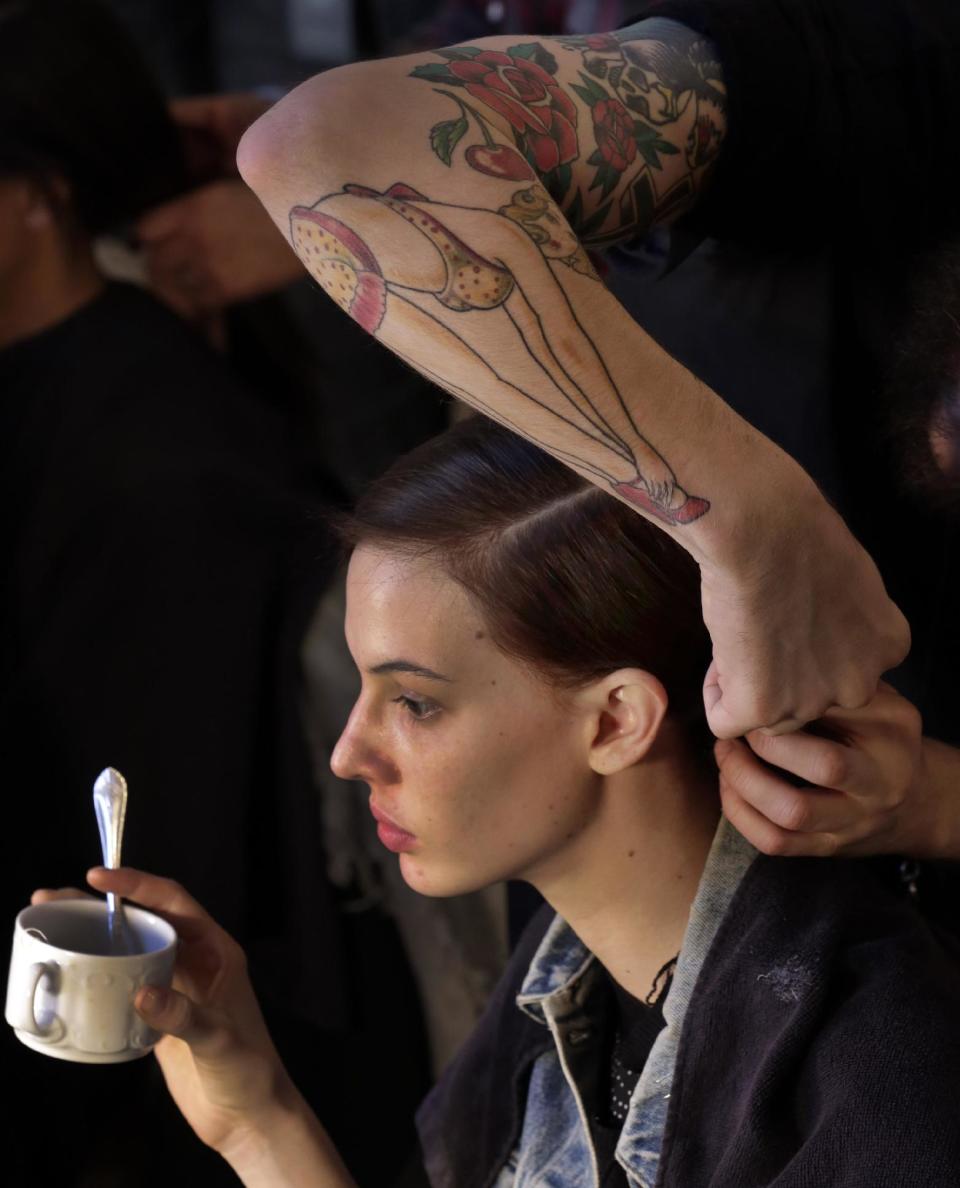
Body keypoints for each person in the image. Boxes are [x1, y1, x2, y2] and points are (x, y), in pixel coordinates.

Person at [38, 416, 960, 1186]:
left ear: (614, 722)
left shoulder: (875, 1079)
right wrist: (256, 1113)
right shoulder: (557, 992)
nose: (349, 754)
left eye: (415, 702)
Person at [228, 1, 960, 861]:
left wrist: (937, 804)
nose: (350, 754)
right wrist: (762, 530)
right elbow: (329, 147)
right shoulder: (886, 76)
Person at [0, 2, 429, 1183]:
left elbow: (172, 845)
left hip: (168, 1066)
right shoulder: (67, 399)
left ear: (38, 194)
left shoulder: (159, 467)